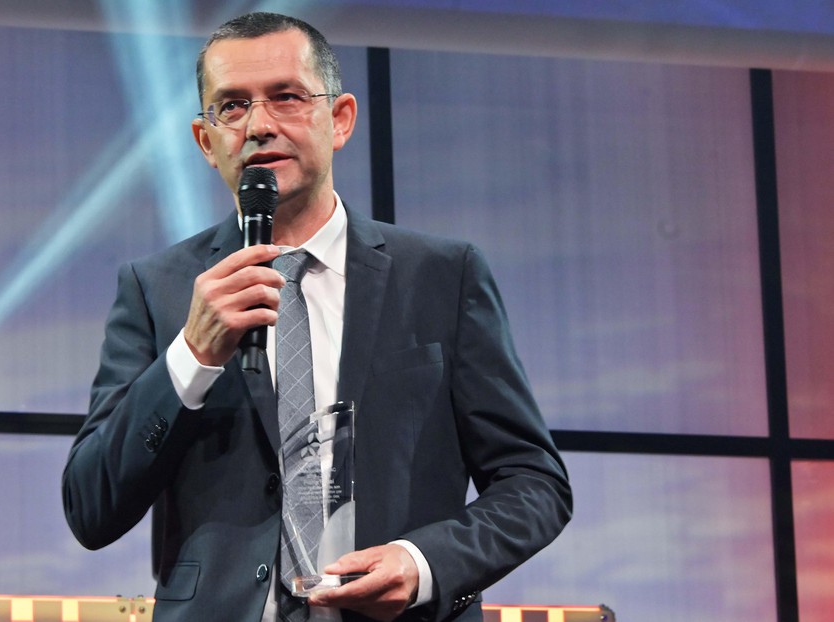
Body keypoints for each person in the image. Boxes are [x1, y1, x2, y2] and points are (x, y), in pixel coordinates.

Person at [62, 11, 572, 622]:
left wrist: (421, 562)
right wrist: (190, 356)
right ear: (205, 141)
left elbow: (534, 483)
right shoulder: (158, 289)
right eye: (232, 106)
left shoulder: (442, 275)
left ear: (340, 119)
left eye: (287, 97)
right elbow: (91, 509)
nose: (259, 124)